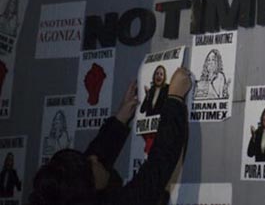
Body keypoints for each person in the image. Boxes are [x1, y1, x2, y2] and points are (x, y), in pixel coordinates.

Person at [29, 67, 191, 205]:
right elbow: (156, 170)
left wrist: (119, 120)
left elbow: (89, 162)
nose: (94, 157)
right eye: (89, 164)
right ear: (89, 189)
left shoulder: (74, 195)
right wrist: (175, 99)